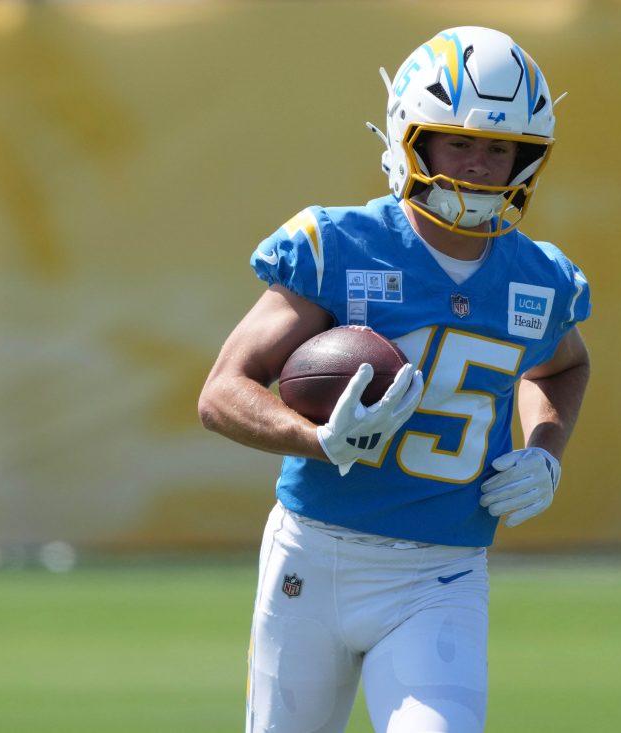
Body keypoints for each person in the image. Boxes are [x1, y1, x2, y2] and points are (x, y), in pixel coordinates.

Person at [198, 25, 591, 733]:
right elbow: (222, 391)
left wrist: (547, 449)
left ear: (524, 161)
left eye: (497, 148)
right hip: (312, 558)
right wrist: (318, 438)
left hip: (440, 576)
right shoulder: (339, 246)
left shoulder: (539, 278)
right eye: (457, 142)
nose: (476, 165)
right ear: (411, 139)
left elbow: (563, 364)